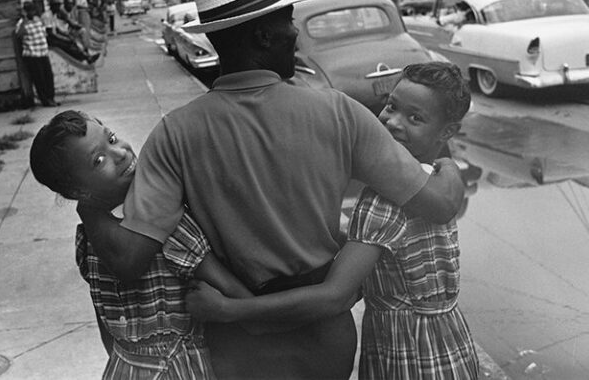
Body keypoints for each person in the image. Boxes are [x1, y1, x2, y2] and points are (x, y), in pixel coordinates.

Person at [78, 0, 465, 379]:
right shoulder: (337, 112)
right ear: (263, 35)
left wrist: (88, 207)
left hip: (238, 337)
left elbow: (132, 258)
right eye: (287, 21)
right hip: (323, 328)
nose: (295, 34)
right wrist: (449, 171)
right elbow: (437, 205)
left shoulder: (174, 134)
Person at [185, 62, 480, 379]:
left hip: (409, 356)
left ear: (448, 131)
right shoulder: (435, 180)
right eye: (391, 107)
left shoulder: (383, 200)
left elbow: (336, 295)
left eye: (415, 118)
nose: (393, 122)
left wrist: (231, 310)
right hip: (451, 347)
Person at [29, 110, 254, 379]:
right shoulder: (142, 231)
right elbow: (106, 324)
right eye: (99, 160)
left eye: (111, 139)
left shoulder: (113, 235)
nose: (121, 152)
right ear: (78, 192)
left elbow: (108, 332)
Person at [15, 1, 57, 107]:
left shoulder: (38, 20)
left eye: (32, 10)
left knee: (48, 76)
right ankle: (45, 100)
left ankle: (51, 97)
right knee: (39, 79)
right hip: (32, 55)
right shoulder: (21, 23)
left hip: (43, 52)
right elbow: (19, 35)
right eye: (28, 11)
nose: (31, 13)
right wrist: (24, 19)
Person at [43, 0, 99, 64]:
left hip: (55, 36)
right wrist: (64, 39)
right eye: (57, 6)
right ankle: (85, 57)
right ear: (53, 6)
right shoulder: (47, 16)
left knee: (72, 41)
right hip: (49, 39)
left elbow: (57, 30)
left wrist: (67, 36)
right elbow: (51, 33)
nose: (59, 7)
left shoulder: (54, 14)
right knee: (67, 44)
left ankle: (85, 56)